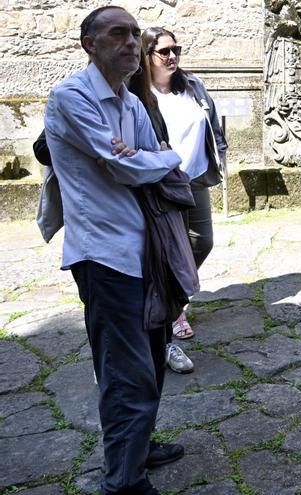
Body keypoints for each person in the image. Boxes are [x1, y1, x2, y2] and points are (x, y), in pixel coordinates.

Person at [43, 6, 186, 493]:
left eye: (134, 35)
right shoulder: (71, 97)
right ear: (90, 44)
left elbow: (166, 161)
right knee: (127, 375)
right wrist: (149, 159)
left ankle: (139, 448)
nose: (131, 43)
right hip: (104, 257)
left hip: (146, 251)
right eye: (117, 34)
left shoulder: (129, 102)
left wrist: (156, 157)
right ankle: (123, 481)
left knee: (149, 363)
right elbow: (124, 167)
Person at [128, 27, 228, 372]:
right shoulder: (137, 95)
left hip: (194, 178)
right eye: (164, 52)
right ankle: (167, 322)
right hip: (161, 185)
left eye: (177, 50)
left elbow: (213, 125)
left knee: (202, 242)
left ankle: (175, 300)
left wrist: (220, 159)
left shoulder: (193, 86)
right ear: (146, 56)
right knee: (167, 254)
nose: (172, 57)